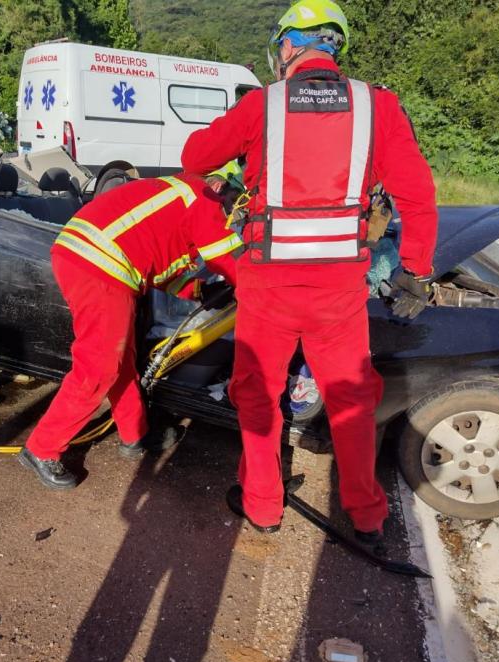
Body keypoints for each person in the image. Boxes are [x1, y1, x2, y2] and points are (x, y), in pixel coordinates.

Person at [181, 0, 438, 546]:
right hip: (340, 288)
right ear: (334, 47)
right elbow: (417, 193)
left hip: (268, 283)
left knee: (256, 393)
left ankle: (263, 506)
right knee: (350, 397)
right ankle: (368, 518)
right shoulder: (378, 106)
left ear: (290, 46)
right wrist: (415, 267)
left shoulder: (263, 105)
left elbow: (196, 156)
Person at [19, 173, 243, 489]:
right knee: (99, 367)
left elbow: (166, 271)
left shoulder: (179, 206)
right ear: (219, 188)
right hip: (100, 264)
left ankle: (135, 434)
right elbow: (228, 257)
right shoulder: (204, 196)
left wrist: (201, 291)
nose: (228, 218)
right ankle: (41, 448)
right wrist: (258, 286)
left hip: (93, 258)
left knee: (121, 360)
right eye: (230, 209)